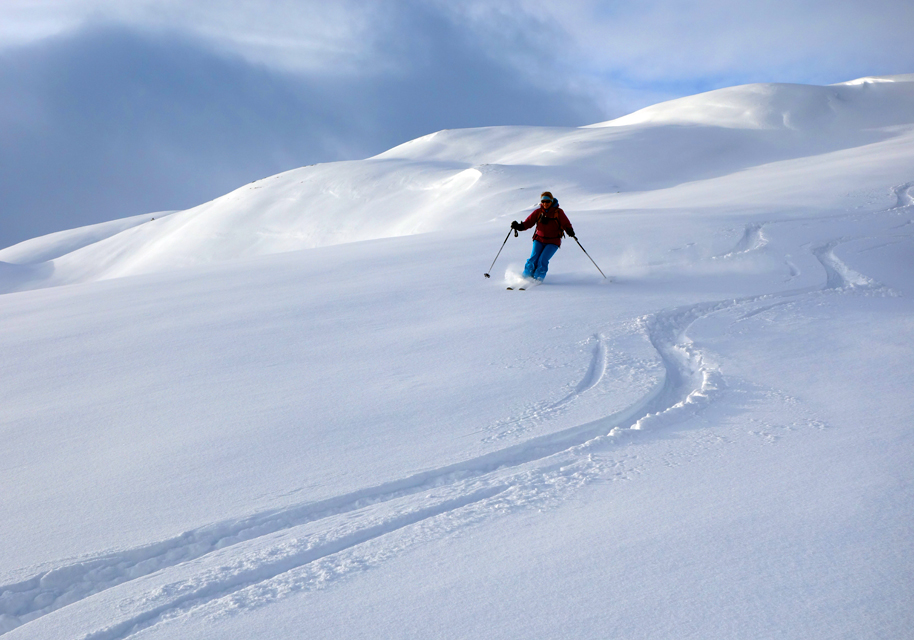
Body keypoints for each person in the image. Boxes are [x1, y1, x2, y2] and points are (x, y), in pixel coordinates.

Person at [511, 191, 575, 282]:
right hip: (539, 240)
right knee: (533, 259)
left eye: (547, 201)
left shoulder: (558, 212)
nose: (545, 204)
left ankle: (538, 278)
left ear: (551, 201)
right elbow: (528, 223)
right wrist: (518, 226)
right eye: (543, 201)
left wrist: (570, 230)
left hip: (553, 242)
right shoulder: (538, 212)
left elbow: (566, 224)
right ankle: (525, 278)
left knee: (542, 260)